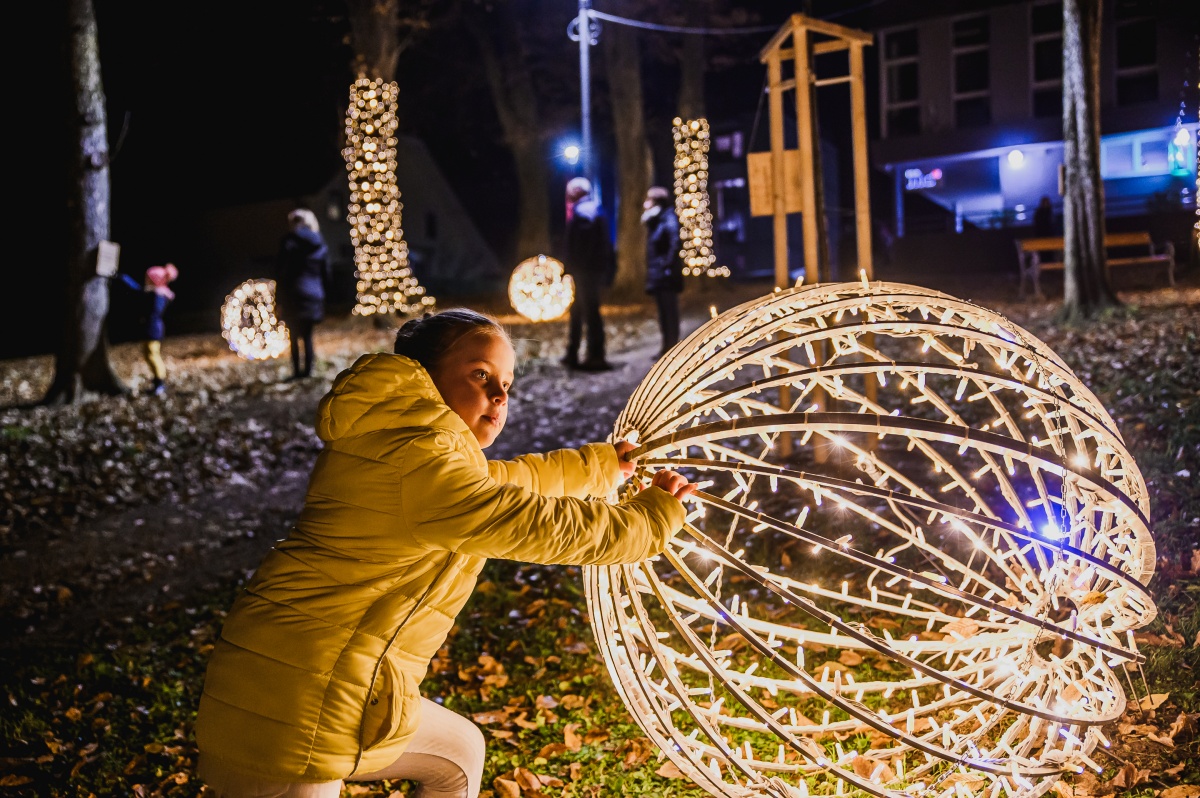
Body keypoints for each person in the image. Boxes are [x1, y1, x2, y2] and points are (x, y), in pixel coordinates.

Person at [194, 308, 695, 798]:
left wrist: (603, 466)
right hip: (290, 708)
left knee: (458, 755)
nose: (500, 396)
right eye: (480, 375)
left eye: (508, 383)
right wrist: (650, 520)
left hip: (321, 687)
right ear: (424, 377)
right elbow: (531, 523)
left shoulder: (414, 445)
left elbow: (509, 482)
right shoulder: (418, 457)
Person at [561, 177, 616, 371]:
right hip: (588, 270)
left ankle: (595, 356)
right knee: (578, 311)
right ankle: (573, 352)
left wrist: (574, 266)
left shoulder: (585, 212)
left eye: (570, 192)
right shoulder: (592, 211)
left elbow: (582, 245)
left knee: (590, 312)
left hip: (586, 271)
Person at [275, 207, 332, 380]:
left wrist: (278, 299)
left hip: (294, 293)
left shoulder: (288, 243)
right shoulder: (320, 243)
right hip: (314, 293)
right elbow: (326, 273)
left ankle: (297, 372)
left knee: (293, 335)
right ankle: (308, 372)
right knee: (307, 335)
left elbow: (280, 271)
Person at [117, 263, 178, 396]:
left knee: (152, 355)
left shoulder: (157, 296)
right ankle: (157, 383)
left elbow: (149, 306)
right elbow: (138, 290)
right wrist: (124, 278)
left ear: (154, 280)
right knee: (149, 354)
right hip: (152, 328)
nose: (146, 281)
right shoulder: (155, 294)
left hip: (153, 329)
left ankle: (160, 383)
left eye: (148, 278)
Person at [641, 186, 684, 359]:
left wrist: (666, 266)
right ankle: (666, 346)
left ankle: (672, 347)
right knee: (663, 312)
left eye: (649, 200)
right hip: (659, 274)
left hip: (666, 276)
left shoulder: (667, 219)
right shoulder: (657, 221)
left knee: (669, 311)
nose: (646, 204)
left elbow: (674, 244)